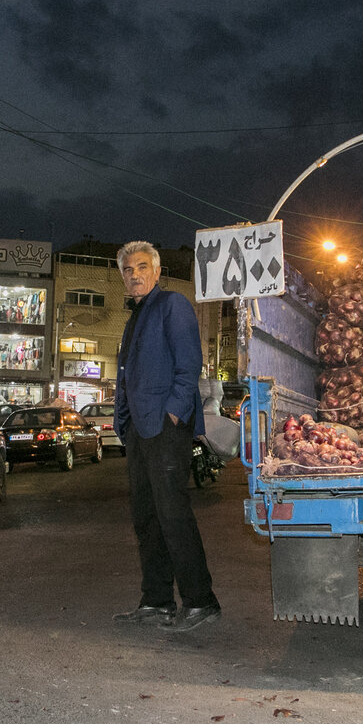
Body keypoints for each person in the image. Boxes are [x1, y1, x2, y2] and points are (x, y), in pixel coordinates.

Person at [111, 241, 220, 632]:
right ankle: (156, 601)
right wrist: (121, 422)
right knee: (146, 517)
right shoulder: (135, 316)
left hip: (166, 426)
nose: (135, 274)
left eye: (142, 267)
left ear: (157, 272)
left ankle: (200, 600)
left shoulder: (172, 305)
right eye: (128, 270)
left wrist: (174, 412)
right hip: (139, 430)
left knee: (173, 513)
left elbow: (190, 363)